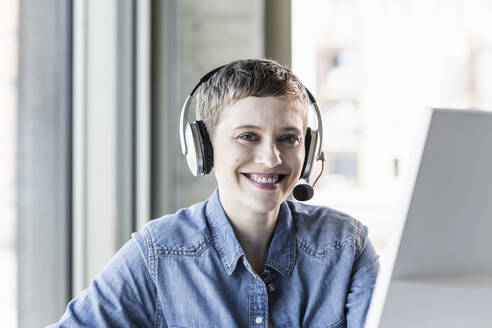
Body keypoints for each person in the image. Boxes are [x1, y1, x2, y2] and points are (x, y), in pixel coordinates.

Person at [51, 59, 379, 327]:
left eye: (288, 138)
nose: (271, 158)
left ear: (309, 150)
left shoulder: (345, 246)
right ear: (203, 148)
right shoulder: (159, 254)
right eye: (248, 136)